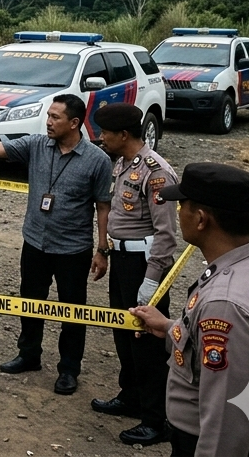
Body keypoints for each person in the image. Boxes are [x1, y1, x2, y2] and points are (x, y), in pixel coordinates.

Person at [0, 94, 112, 396]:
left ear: (75, 123)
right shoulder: (38, 145)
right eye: (49, 115)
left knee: (72, 310)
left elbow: (103, 206)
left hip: (73, 249)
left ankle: (69, 369)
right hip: (35, 242)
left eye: (55, 117)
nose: (49, 121)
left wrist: (102, 248)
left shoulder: (97, 160)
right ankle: (29, 354)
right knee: (30, 301)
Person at [130, 163, 249, 457]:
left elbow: (226, 421)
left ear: (201, 219)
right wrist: (169, 328)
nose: (178, 213)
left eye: (182, 205)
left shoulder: (225, 305)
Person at [90, 104, 179, 446]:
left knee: (147, 344)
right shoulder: (124, 163)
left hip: (145, 265)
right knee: (124, 334)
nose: (101, 138)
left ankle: (157, 420)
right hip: (124, 262)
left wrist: (152, 281)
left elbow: (166, 233)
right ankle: (131, 396)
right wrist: (105, 252)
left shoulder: (156, 172)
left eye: (106, 133)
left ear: (124, 135)